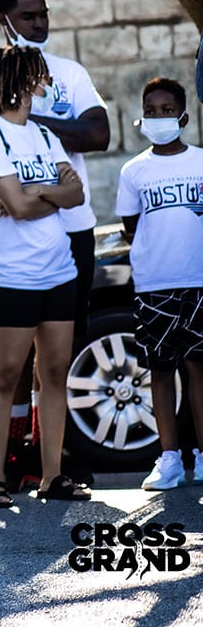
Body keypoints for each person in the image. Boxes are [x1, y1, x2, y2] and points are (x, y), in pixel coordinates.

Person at [0, 0, 110, 487]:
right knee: (7, 371)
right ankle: (0, 476)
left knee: (56, 368)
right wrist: (49, 192)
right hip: (15, 266)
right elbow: (19, 203)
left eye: (44, 14)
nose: (41, 24)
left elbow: (89, 158)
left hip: (64, 254)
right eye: (30, 16)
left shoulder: (49, 121)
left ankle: (52, 471)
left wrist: (44, 194)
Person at [115, 77, 203, 490]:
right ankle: (169, 458)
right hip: (155, 285)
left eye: (168, 110)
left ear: (183, 116)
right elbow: (132, 227)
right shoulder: (134, 171)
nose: (159, 117)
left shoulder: (201, 162)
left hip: (199, 281)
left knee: (199, 368)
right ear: (142, 117)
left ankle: (202, 457)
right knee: (161, 370)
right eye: (151, 111)